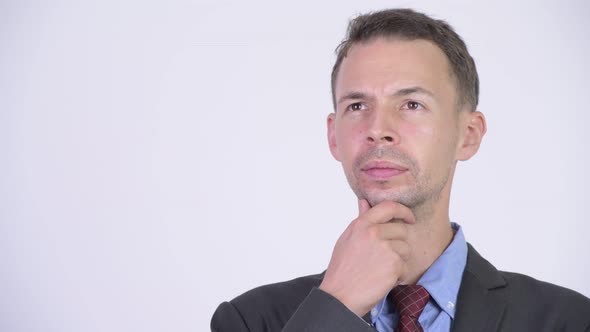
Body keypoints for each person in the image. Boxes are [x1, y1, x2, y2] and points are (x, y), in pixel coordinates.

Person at [210, 8, 590, 332]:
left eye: (411, 104)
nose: (377, 130)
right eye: (357, 106)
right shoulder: (250, 320)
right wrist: (336, 305)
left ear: (468, 135)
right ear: (334, 137)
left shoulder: (569, 320)